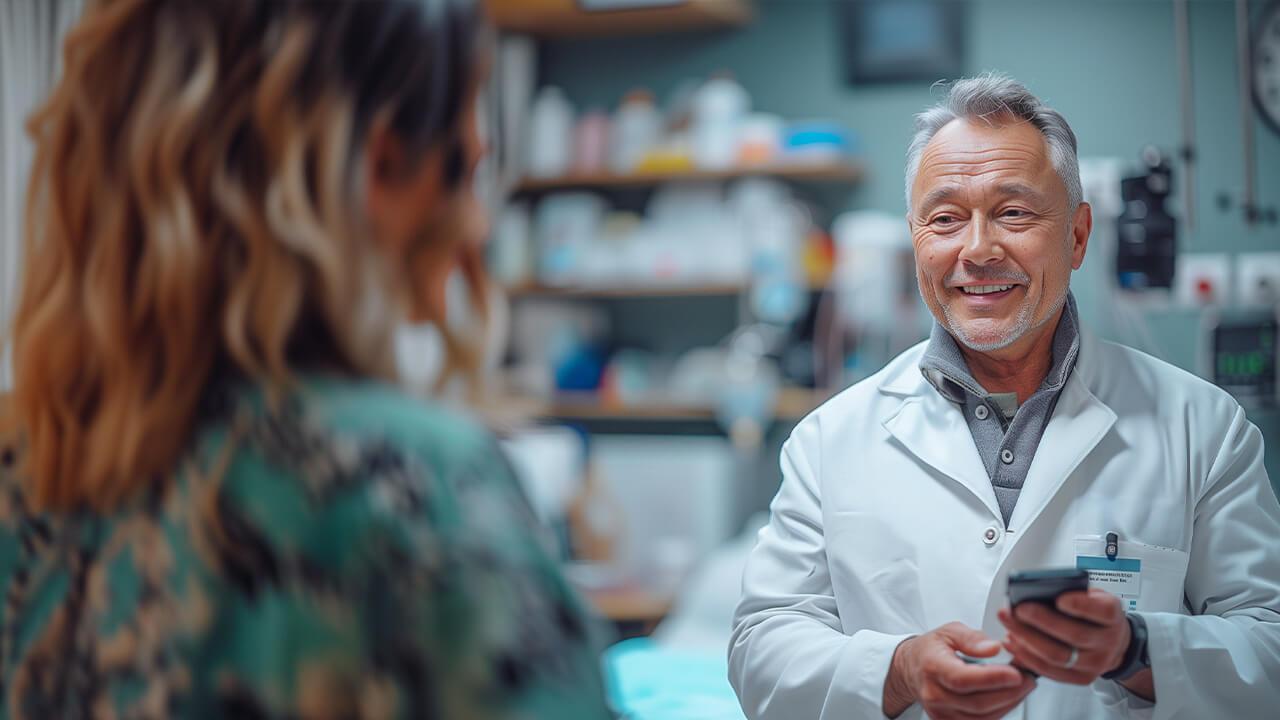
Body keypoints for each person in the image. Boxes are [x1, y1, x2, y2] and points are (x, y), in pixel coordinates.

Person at [0, 1, 613, 718]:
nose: (476, 225)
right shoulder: (413, 489)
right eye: (468, 167)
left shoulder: (33, 476)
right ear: (382, 163)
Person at [728, 73, 1280, 720]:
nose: (978, 248)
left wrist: (1135, 650)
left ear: (1076, 237)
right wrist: (898, 670)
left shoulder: (1204, 428)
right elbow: (760, 649)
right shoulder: (827, 443)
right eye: (944, 219)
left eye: (1013, 212)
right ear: (916, 241)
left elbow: (1268, 645)